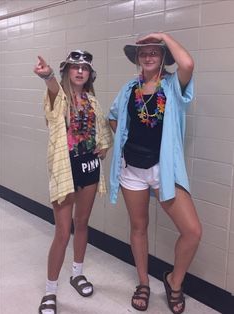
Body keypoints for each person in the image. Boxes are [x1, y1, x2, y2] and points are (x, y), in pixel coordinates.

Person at [108, 32, 202, 313]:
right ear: (137, 59)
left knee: (192, 231)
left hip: (163, 169)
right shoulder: (128, 89)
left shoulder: (172, 85)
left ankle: (174, 281)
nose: (148, 56)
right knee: (139, 227)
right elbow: (113, 117)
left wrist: (162, 36)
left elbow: (188, 64)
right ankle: (143, 283)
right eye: (143, 52)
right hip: (131, 170)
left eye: (155, 52)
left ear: (162, 58)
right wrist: (123, 140)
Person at [34, 50, 112, 314]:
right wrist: (49, 77)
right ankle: (50, 291)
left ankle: (77, 273)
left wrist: (103, 146)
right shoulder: (60, 97)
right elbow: (55, 93)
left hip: (89, 167)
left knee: (82, 223)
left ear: (90, 74)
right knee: (61, 231)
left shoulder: (92, 99)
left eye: (85, 68)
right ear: (67, 71)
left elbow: (101, 130)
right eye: (75, 67)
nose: (80, 71)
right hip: (66, 169)